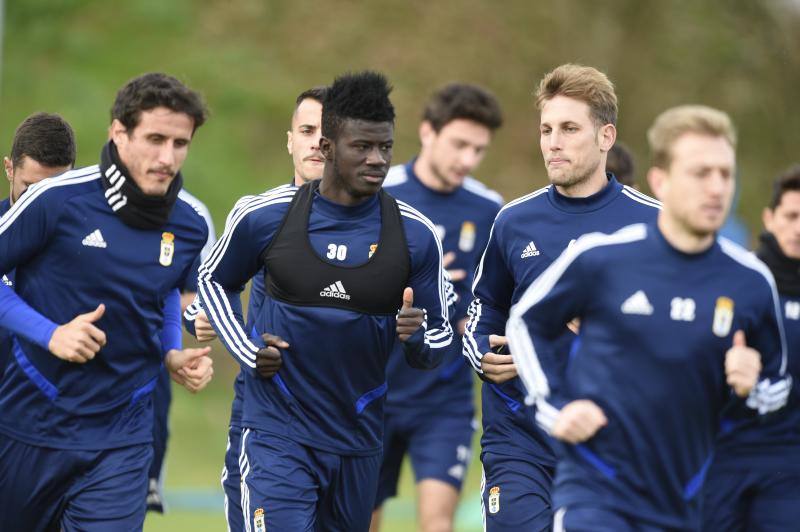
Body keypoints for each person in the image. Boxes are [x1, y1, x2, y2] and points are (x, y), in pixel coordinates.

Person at [506, 104, 786, 530]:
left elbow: (777, 384)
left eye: (725, 174)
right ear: (661, 181)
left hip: (690, 499)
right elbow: (525, 322)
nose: (715, 188)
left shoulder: (750, 281)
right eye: (700, 173)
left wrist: (753, 385)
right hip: (596, 492)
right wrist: (556, 407)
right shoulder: (602, 257)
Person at [196, 71, 452, 530]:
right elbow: (212, 283)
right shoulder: (265, 217)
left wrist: (416, 339)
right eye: (362, 147)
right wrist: (247, 349)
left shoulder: (415, 235)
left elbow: (438, 341)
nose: (377, 160)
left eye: (386, 148)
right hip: (277, 432)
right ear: (328, 146)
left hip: (357, 442)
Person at [0, 72, 214, 531]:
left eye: (180, 143)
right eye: (155, 138)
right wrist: (51, 333)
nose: (167, 157)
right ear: (119, 133)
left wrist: (171, 351)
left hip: (123, 436)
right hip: (32, 426)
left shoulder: (192, 223)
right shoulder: (55, 200)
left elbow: (165, 297)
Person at [462, 63, 660, 531]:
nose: (553, 141)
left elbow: (672, 332)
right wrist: (483, 357)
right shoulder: (513, 221)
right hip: (519, 437)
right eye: (547, 129)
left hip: (610, 440)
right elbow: (482, 308)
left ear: (606, 136)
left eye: (570, 128)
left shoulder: (654, 226)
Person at [184, 85, 329, 530]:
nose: (316, 142)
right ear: (290, 139)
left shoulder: (379, 224)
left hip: (342, 414)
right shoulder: (257, 215)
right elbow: (208, 290)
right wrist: (199, 320)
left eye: (327, 132)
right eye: (306, 130)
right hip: (266, 410)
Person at [373, 83, 503, 532]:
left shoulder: (491, 210)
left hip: (444, 398)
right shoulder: (379, 194)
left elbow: (496, 300)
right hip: (373, 391)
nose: (467, 159)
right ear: (428, 132)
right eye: (459, 144)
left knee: (438, 524)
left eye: (478, 149)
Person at [702, 165, 800, 531]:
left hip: (789, 463)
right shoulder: (738, 284)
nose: (798, 229)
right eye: (791, 216)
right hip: (722, 454)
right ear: (769, 217)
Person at [147, 186, 216, 514]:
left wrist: (175, 346)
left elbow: (197, 297)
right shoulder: (78, 201)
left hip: (147, 385)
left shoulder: (192, 215)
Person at [0, 112, 77, 366]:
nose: (38, 206)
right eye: (30, 189)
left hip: (54, 396)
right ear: (9, 168)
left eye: (51, 193)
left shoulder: (89, 239)